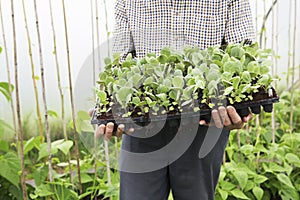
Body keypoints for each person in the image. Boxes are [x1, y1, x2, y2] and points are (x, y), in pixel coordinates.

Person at [95, 0, 254, 199]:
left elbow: (244, 55)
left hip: (203, 124)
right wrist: (109, 110)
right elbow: (121, 61)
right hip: (144, 123)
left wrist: (240, 106)